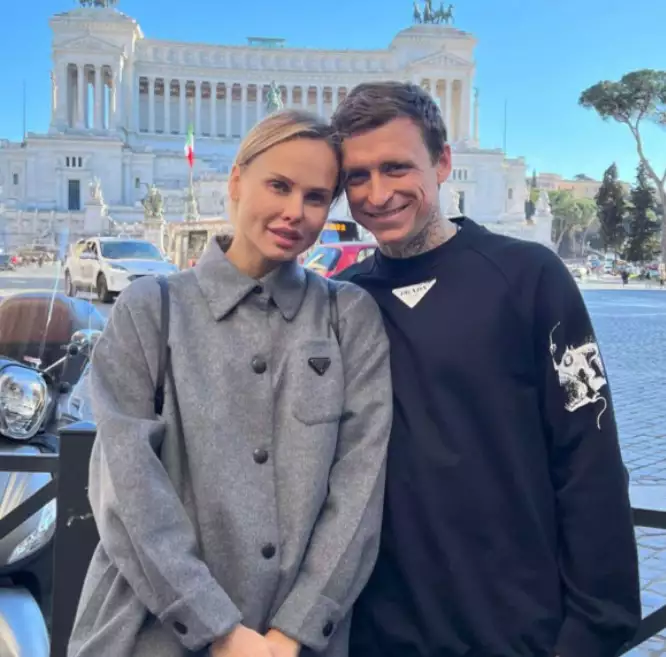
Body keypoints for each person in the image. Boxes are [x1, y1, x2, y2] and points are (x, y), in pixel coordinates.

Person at [68, 109, 393, 657]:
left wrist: (295, 630)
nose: (295, 211)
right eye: (279, 185)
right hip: (146, 634)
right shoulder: (150, 309)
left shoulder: (349, 317)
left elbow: (360, 486)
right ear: (237, 181)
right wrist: (218, 628)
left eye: (316, 197)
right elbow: (127, 485)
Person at [331, 82, 641, 657]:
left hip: (519, 633)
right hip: (378, 636)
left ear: (443, 162)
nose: (378, 193)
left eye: (397, 167)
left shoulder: (533, 278)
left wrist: (594, 627)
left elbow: (590, 451)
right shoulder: (341, 302)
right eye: (358, 176)